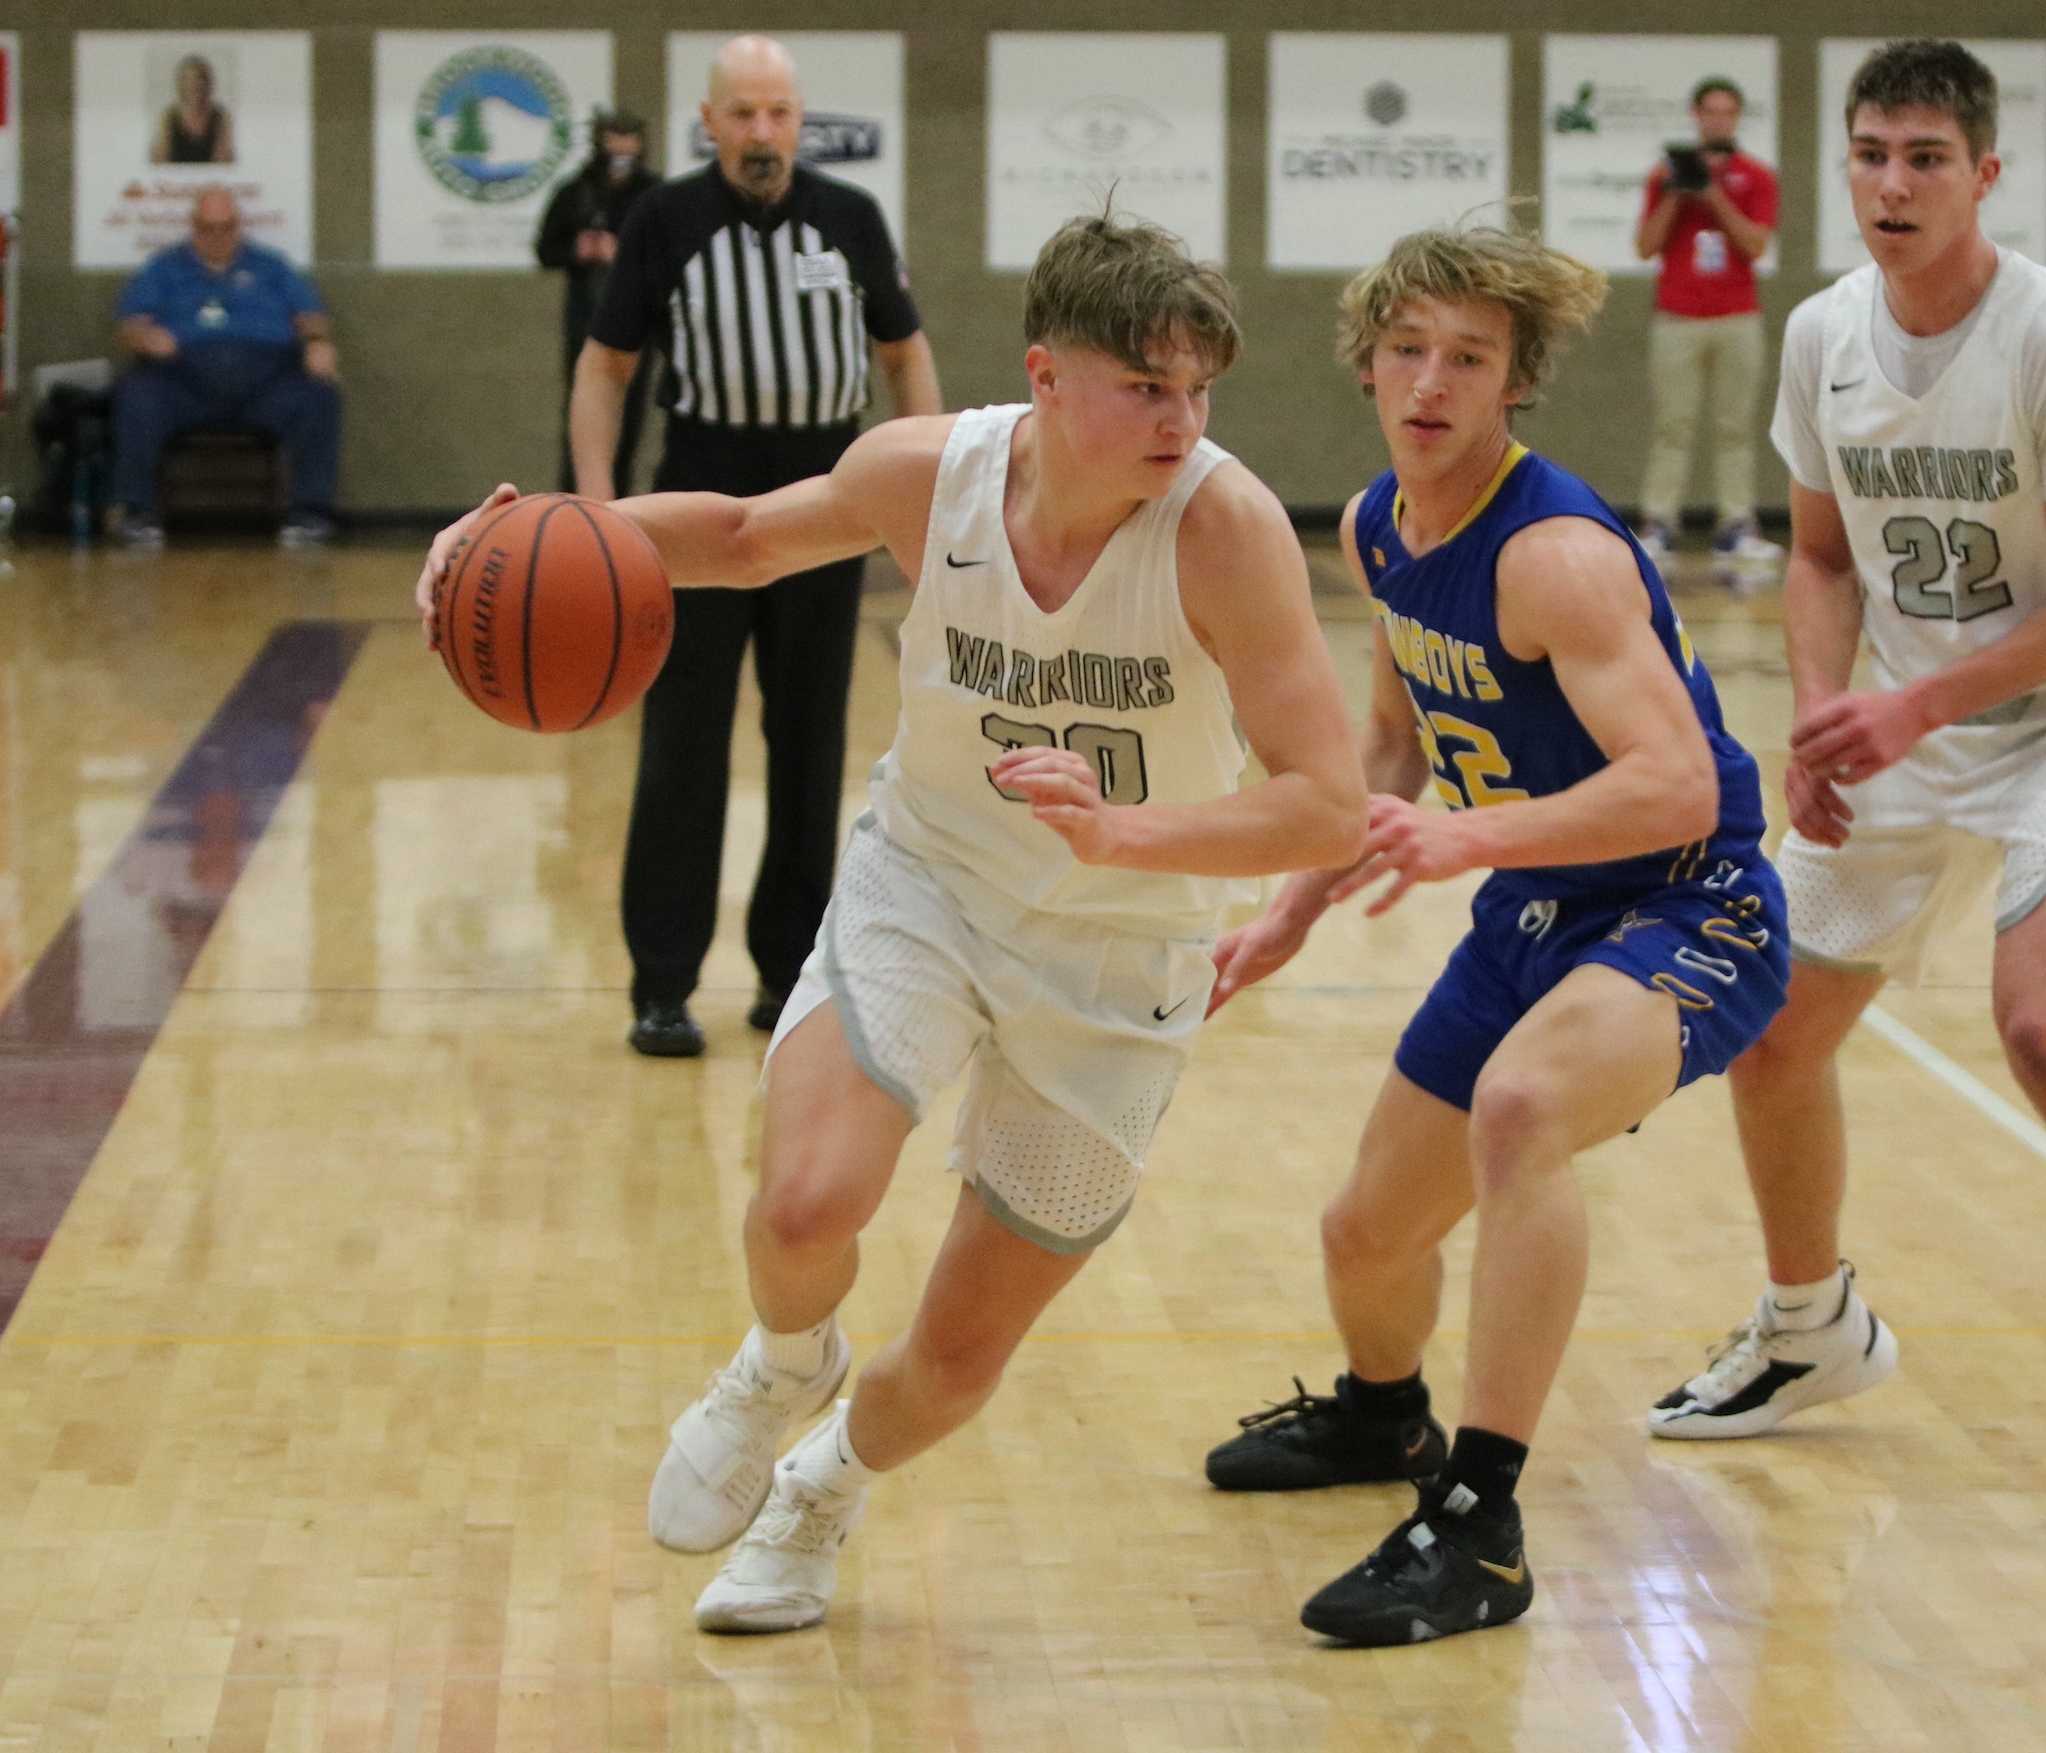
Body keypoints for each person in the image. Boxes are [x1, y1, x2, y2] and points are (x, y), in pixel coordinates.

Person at [414, 211, 1367, 1635]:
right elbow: (737, 539)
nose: (1182, 420)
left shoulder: (1222, 532)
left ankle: (822, 1492)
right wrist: (523, 541)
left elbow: (1328, 806)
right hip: (928, 879)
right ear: (1045, 376)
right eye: (1146, 386)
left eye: (1197, 390)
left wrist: (1125, 829)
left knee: (963, 1351)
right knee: (804, 1203)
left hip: (1118, 957)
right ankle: (780, 1361)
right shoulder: (932, 475)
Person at [1643, 38, 2046, 1549]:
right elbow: (1827, 554)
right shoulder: (1824, 333)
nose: (1891, 184)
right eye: (1870, 154)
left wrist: (1915, 700)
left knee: (2045, 1025)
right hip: (1908, 721)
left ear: (1985, 173)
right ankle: (1808, 1327)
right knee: (1767, 1026)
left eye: (1924, 157)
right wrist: (1819, 717)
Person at [1198, 222, 1790, 1646]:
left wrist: (1469, 836)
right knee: (1365, 1237)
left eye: (1470, 358)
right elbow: (1397, 741)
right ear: (1367, 363)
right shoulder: (1374, 524)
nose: (1432, 381)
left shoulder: (1558, 554)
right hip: (1539, 900)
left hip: (1687, 897)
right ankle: (1385, 1420)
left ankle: (1484, 1524)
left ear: (1515, 383)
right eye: (1409, 349)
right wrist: (1293, 902)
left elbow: (1680, 779)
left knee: (1520, 1111)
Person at [579, 35, 943, 1061]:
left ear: (798, 119)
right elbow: (603, 370)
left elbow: (906, 358)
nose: (760, 133)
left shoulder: (850, 218)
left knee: (810, 744)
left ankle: (790, 976)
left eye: (777, 113)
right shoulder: (664, 220)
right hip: (696, 510)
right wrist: (603, 517)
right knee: (682, 750)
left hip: (829, 508)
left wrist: (932, 498)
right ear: (708, 123)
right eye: (741, 113)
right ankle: (661, 983)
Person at [110, 187, 339, 549]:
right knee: (137, 394)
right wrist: (147, 337)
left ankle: (310, 513)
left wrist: (317, 344)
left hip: (266, 381)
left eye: (226, 227)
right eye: (207, 228)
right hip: (184, 381)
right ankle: (137, 512)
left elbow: (311, 316)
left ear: (239, 227)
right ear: (193, 227)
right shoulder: (164, 267)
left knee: (318, 395)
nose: (217, 236)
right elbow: (130, 326)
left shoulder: (271, 266)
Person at [1633, 76, 1782, 582]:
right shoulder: (1664, 176)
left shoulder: (1756, 177)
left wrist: (1712, 194)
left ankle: (1737, 524)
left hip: (1737, 316)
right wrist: (1678, 193)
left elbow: (1756, 245)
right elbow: (1646, 246)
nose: (1718, 120)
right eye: (1709, 112)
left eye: (1727, 113)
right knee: (1673, 425)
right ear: (1695, 116)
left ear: (1736, 118)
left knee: (1734, 426)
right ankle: (1659, 524)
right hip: (1676, 316)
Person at [535, 110, 661, 499]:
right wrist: (579, 249)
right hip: (586, 318)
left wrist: (624, 252)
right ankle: (572, 508)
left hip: (638, 322)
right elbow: (545, 250)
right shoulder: (576, 191)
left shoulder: (653, 194)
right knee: (582, 414)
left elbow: (667, 256)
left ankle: (619, 508)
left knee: (630, 419)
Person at [152, 54, 234, 165]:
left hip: (212, 180)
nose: (194, 85)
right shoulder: (168, 116)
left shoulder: (220, 116)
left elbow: (224, 162)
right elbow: (160, 160)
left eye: (199, 79)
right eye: (189, 80)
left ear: (208, 84)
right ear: (181, 84)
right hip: (173, 180)